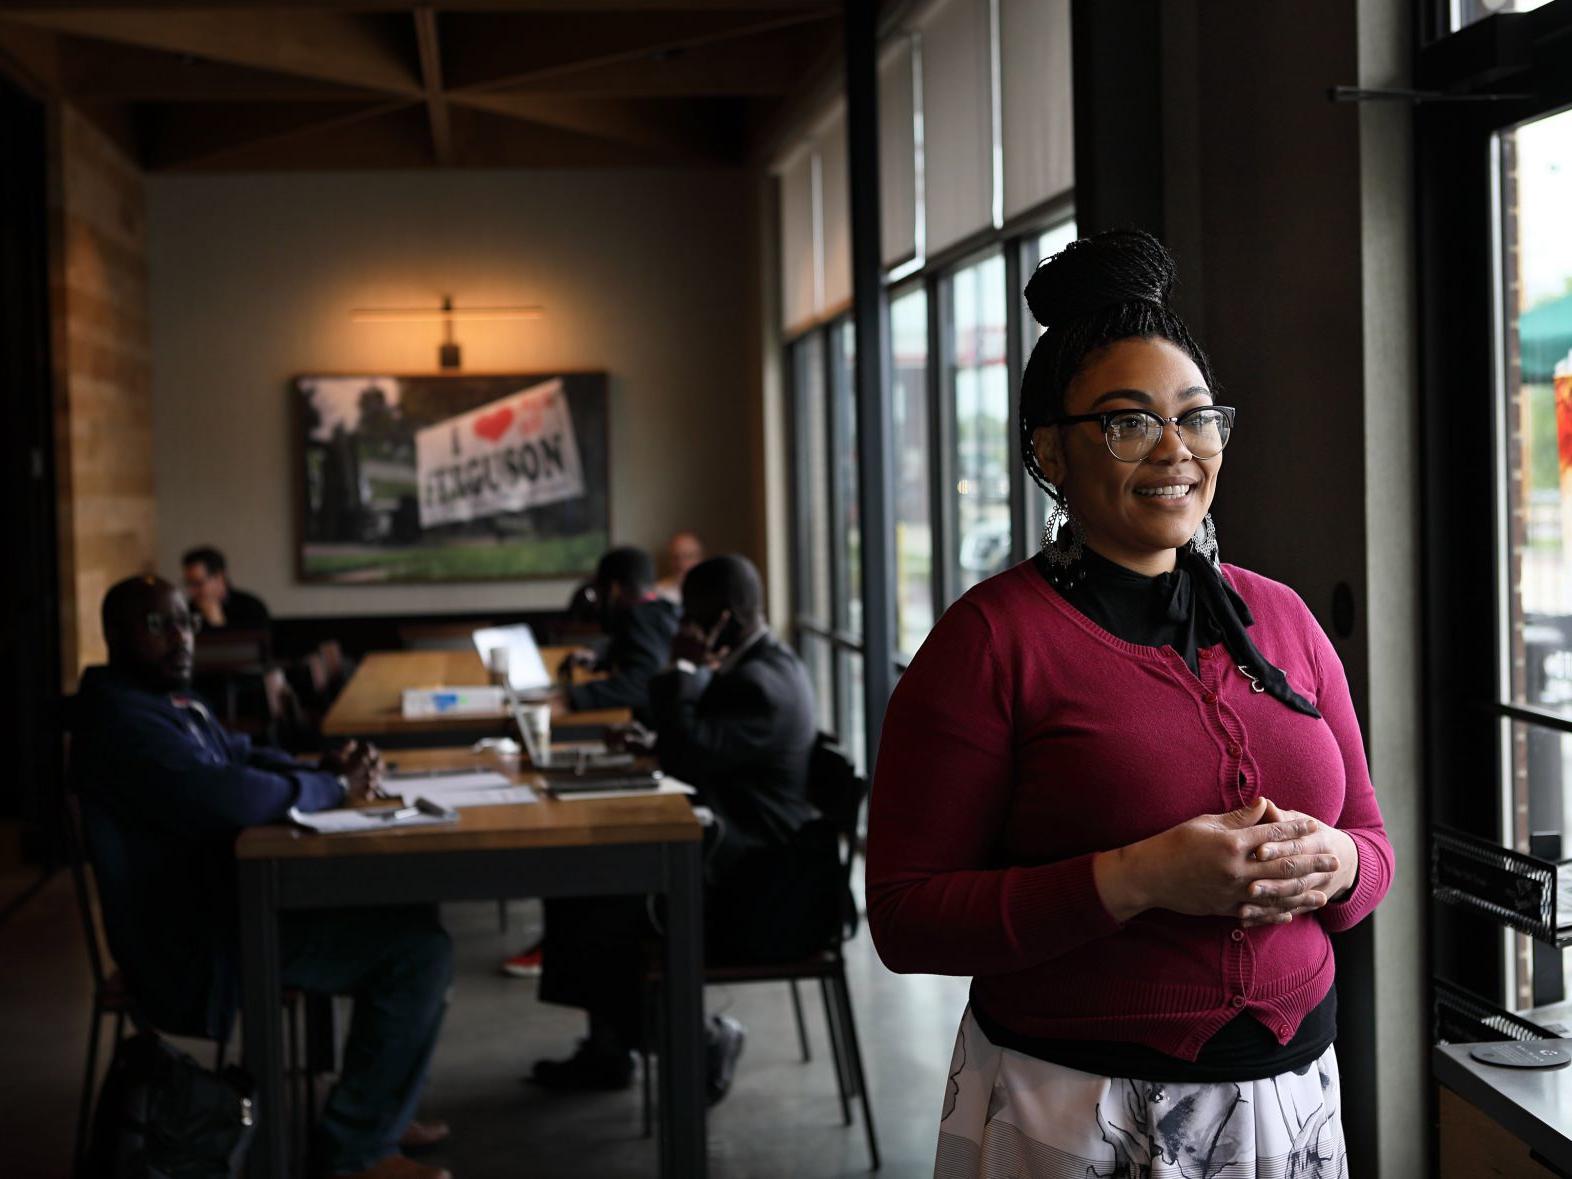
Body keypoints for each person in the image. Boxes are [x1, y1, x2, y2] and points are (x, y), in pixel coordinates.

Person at [866, 230, 1393, 1178]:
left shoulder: (1282, 617)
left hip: (1296, 1097)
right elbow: (906, 917)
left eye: (1198, 418)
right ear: (1048, 451)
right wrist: (1136, 877)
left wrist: (1341, 862)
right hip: (1077, 1109)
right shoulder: (990, 641)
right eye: (1127, 422)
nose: (1175, 450)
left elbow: (1372, 843)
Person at [74, 576, 455, 1179]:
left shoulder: (165, 699)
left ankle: (378, 1109)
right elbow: (224, 796)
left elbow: (239, 756)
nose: (181, 638)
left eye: (187, 622)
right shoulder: (122, 719)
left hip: (219, 907)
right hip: (194, 942)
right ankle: (356, 1154)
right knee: (419, 952)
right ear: (114, 636)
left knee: (410, 917)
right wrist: (331, 788)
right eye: (158, 625)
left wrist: (322, 767)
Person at [530, 555, 838, 1103]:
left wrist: (681, 672)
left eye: (689, 617)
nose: (679, 629)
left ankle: (700, 1039)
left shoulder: (760, 682)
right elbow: (702, 747)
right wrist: (656, 742)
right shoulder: (760, 660)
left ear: (718, 619)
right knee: (582, 884)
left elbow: (691, 755)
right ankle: (614, 1048)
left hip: (755, 875)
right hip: (735, 842)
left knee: (602, 900)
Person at [555, 546, 679, 725]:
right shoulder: (664, 611)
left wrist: (571, 697)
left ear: (614, 589)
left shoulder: (638, 618)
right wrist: (596, 654)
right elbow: (637, 648)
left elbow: (644, 683)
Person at [181, 545, 271, 633]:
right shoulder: (186, 612)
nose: (191, 590)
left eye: (198, 583)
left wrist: (216, 622)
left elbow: (253, 645)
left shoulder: (252, 608)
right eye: (188, 583)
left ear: (219, 577)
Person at [653, 530, 705, 607]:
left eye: (688, 556)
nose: (681, 563)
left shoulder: (715, 591)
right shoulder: (657, 593)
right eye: (675, 557)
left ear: (701, 558)